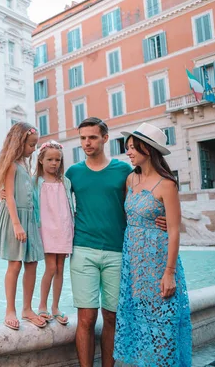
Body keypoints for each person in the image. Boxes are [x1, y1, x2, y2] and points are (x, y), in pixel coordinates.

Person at [66, 117, 166, 367]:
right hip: (83, 250)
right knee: (86, 318)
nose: (86, 143)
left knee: (111, 317)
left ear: (105, 138)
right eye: (82, 138)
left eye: (92, 137)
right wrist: (5, 193)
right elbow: (46, 193)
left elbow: (153, 188)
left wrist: (163, 216)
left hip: (118, 252)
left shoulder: (124, 171)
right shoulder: (73, 172)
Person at [114, 122, 192, 366]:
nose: (128, 152)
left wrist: (169, 273)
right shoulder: (129, 180)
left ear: (147, 149)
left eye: (132, 148)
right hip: (134, 266)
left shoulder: (167, 184)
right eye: (127, 148)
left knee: (162, 327)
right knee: (139, 324)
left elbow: (176, 231)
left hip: (159, 264)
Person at [0, 122, 46, 331]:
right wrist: (16, 225)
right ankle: (10, 310)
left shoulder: (25, 163)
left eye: (35, 145)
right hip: (16, 219)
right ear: (19, 143)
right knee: (14, 265)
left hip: (29, 218)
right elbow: (10, 197)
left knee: (32, 263)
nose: (34, 149)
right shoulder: (12, 165)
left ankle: (27, 308)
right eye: (31, 145)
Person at [32, 140, 74, 326]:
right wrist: (3, 193)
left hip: (63, 227)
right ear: (41, 160)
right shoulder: (35, 182)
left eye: (57, 159)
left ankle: (55, 307)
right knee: (50, 268)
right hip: (47, 229)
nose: (54, 163)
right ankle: (42, 305)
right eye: (49, 159)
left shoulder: (65, 181)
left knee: (60, 269)